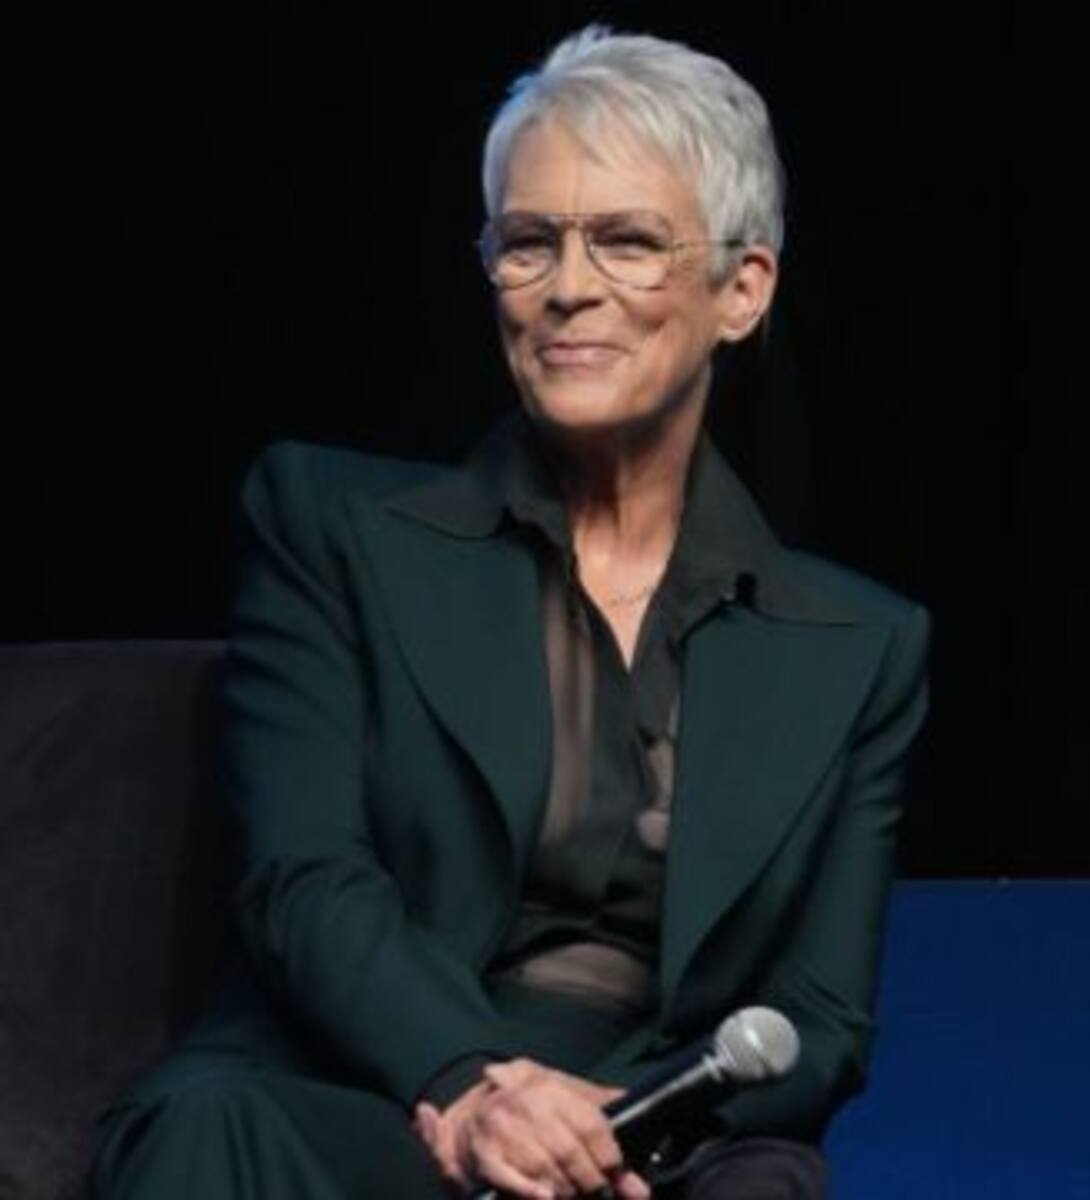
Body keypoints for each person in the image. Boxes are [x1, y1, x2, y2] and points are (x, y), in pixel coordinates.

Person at [91, 24, 929, 1200]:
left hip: (643, 1144)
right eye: (530, 242)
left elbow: (821, 1024)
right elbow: (303, 878)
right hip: (358, 1094)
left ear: (742, 290)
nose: (568, 288)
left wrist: (619, 1129)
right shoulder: (332, 529)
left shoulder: (860, 647)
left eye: (627, 242)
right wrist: (475, 1080)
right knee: (210, 1128)